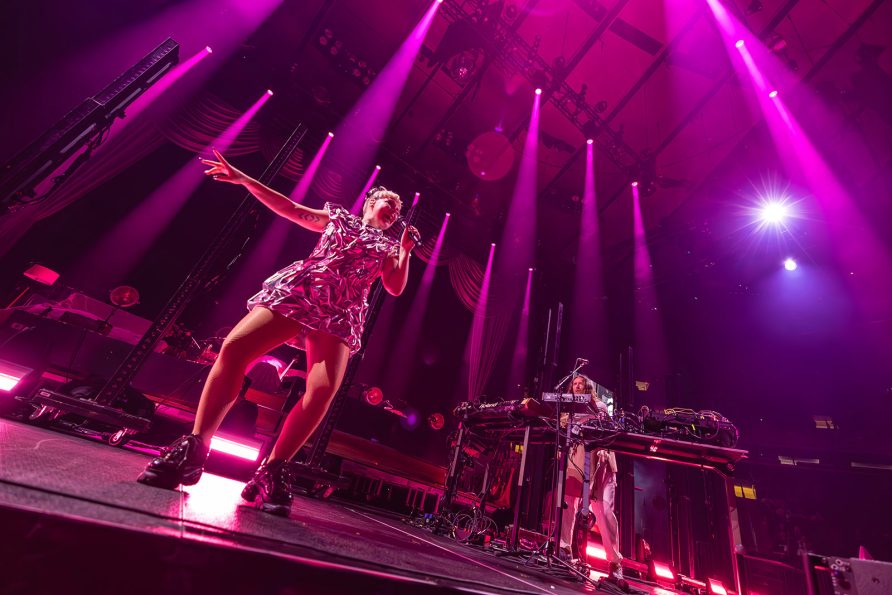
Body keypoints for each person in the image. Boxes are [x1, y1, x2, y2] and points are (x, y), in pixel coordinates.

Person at [137, 149, 420, 516]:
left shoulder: (387, 246)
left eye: (397, 210)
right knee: (235, 349)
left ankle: (271, 471)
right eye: (388, 202)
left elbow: (395, 287)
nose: (393, 211)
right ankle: (194, 448)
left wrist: (405, 251)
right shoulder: (338, 219)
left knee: (322, 390)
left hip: (340, 310)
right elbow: (290, 208)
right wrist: (245, 179)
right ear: (369, 202)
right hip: (303, 291)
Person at [559, 374, 623, 579]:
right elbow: (561, 427)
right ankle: (564, 549)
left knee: (603, 510)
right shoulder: (567, 408)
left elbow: (607, 428)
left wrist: (604, 446)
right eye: (574, 384)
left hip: (601, 458)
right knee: (568, 501)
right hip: (577, 456)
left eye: (581, 384)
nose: (577, 387)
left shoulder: (599, 405)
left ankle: (615, 564)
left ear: (588, 388)